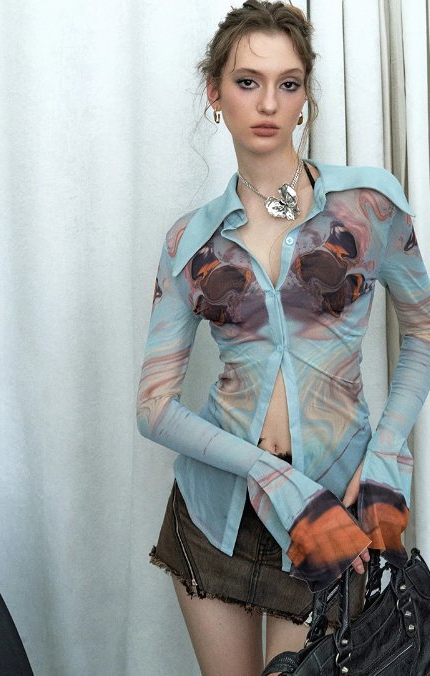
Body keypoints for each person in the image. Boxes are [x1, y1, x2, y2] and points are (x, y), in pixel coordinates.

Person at [136, 2, 430, 674]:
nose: (268, 102)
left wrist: (388, 452)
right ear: (214, 93)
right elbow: (152, 407)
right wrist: (270, 474)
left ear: (305, 96)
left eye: (287, 83)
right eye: (247, 81)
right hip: (216, 515)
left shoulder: (369, 205)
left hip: (333, 513)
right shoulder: (190, 242)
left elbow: (421, 328)